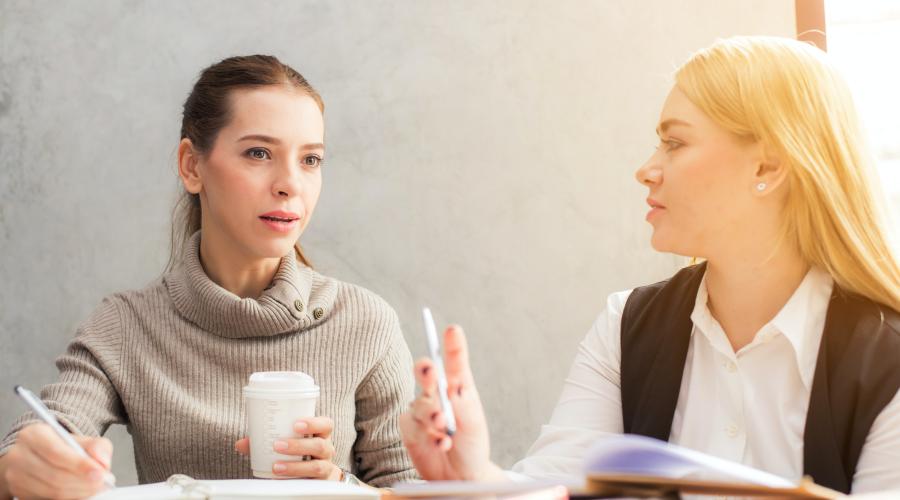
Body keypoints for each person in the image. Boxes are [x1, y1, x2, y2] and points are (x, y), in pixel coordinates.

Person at [400, 36, 900, 494]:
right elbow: (555, 488)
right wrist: (475, 476)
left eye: (675, 142)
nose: (646, 170)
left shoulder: (886, 358)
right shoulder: (626, 325)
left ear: (767, 167)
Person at [0, 55, 417, 500]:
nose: (290, 184)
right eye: (259, 153)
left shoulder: (366, 323)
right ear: (191, 166)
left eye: (311, 159)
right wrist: (23, 467)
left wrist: (341, 488)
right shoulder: (125, 326)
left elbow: (418, 490)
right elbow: (40, 437)